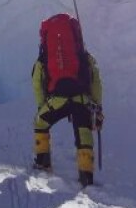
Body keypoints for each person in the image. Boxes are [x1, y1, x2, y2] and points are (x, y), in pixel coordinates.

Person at [31, 14, 103, 187]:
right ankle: (86, 175)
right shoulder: (83, 55)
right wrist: (97, 107)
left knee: (40, 123)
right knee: (83, 132)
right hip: (82, 100)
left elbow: (37, 82)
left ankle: (43, 162)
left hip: (57, 99)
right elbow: (96, 80)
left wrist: (42, 106)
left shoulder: (45, 56)